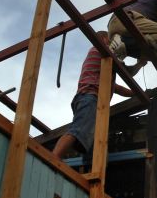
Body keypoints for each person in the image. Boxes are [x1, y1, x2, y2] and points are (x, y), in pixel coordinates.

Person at [52, 31, 134, 161]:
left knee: (92, 142)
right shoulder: (98, 50)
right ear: (102, 39)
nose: (110, 42)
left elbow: (117, 88)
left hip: (88, 98)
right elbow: (119, 52)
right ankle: (53, 159)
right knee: (77, 131)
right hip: (90, 97)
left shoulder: (105, 63)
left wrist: (134, 93)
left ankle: (89, 170)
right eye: (108, 39)